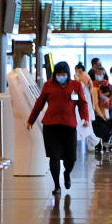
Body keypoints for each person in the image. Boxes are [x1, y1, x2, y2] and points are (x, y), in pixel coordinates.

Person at [27, 61, 89, 196]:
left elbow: (82, 103)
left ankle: (67, 173)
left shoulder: (76, 86)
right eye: (58, 74)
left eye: (63, 74)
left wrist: (85, 118)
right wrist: (31, 119)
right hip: (51, 126)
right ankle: (56, 186)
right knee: (54, 157)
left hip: (69, 126)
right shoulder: (48, 85)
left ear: (68, 74)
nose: (61, 76)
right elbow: (39, 103)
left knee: (70, 158)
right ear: (55, 75)